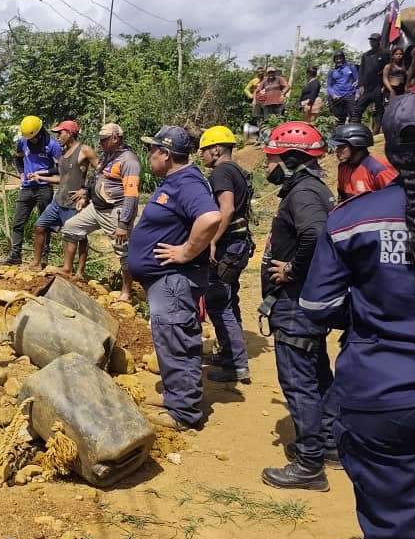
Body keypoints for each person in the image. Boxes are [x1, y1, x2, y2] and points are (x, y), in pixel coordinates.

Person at [299, 93, 415, 539]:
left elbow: (317, 310)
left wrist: (369, 311)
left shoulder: (351, 219)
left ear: (387, 146)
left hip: (379, 399)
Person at [258, 121, 338, 491]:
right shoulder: (310, 189)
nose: (267, 166)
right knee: (318, 374)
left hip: (294, 306)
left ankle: (309, 464)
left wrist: (291, 269)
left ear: (291, 159)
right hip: (304, 303)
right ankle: (330, 446)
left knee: (299, 383)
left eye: (272, 159)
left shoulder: (304, 194)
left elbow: (315, 234)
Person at [127, 126, 221, 430]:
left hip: (174, 279)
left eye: (152, 150)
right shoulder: (176, 180)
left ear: (166, 154)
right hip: (166, 280)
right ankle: (175, 396)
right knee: (168, 338)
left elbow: (211, 218)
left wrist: (186, 251)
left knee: (177, 339)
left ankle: (183, 412)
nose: (149, 155)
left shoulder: (188, 182)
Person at [198, 126, 254, 384]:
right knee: (230, 300)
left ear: (217, 149)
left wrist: (211, 240)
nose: (202, 155)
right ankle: (232, 352)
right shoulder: (237, 171)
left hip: (228, 246)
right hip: (239, 245)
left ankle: (235, 364)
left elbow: (227, 209)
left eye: (205, 150)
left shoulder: (221, 173)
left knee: (219, 302)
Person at [60, 123, 140, 297]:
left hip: (115, 212)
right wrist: (86, 196)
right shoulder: (106, 156)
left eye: (104, 139)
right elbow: (95, 179)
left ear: (115, 138)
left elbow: (131, 195)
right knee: (70, 228)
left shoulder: (129, 161)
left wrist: (123, 224)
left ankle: (126, 291)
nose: (100, 143)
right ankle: (67, 270)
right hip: (96, 209)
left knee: (123, 251)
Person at [30, 121, 94, 272]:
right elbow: (62, 178)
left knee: (77, 236)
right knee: (40, 226)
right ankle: (36, 263)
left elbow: (101, 171)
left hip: (73, 203)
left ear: (70, 133)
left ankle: (76, 271)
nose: (57, 137)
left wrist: (86, 191)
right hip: (58, 201)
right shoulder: (64, 154)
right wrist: (42, 178)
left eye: (60, 133)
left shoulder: (84, 150)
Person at [3, 116, 61, 265]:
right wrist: (22, 174)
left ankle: (43, 257)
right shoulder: (23, 142)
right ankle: (15, 255)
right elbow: (18, 158)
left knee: (44, 223)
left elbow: (61, 168)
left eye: (34, 138)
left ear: (39, 132)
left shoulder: (52, 145)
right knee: (18, 222)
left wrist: (43, 173)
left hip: (44, 187)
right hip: (27, 187)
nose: (32, 141)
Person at [329, 124, 397, 201]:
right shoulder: (343, 167)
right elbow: (342, 197)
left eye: (341, 147)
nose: (337, 151)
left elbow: (396, 198)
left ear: (356, 145)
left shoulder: (378, 168)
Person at [352, 33, 390, 134]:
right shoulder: (365, 55)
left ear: (379, 41)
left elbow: (389, 68)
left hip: (379, 86)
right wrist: (360, 86)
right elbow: (361, 72)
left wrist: (385, 86)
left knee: (378, 110)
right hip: (367, 88)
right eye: (371, 40)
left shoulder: (385, 53)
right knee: (358, 108)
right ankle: (355, 130)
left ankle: (376, 132)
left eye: (374, 40)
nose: (372, 42)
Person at [326, 52, 359, 124]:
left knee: (354, 117)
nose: (338, 60)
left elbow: (358, 81)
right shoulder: (332, 71)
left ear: (343, 58)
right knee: (339, 120)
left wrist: (357, 93)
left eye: (340, 58)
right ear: (334, 60)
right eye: (336, 59)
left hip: (349, 95)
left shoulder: (351, 67)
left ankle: (354, 133)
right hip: (337, 98)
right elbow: (329, 86)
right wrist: (333, 95)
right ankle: (338, 134)